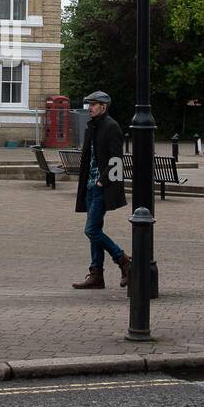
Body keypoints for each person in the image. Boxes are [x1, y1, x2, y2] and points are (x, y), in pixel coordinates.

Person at [73, 91, 131, 289]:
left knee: (91, 230)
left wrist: (102, 182)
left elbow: (117, 160)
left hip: (100, 188)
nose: (90, 108)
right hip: (89, 187)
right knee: (94, 230)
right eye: (89, 104)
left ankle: (123, 260)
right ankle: (96, 275)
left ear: (103, 107)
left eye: (94, 104)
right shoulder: (93, 126)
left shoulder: (111, 126)